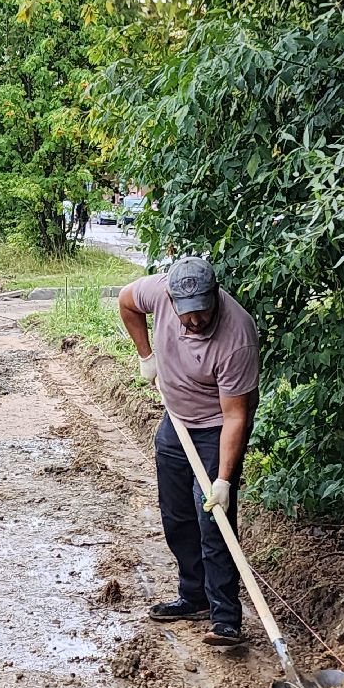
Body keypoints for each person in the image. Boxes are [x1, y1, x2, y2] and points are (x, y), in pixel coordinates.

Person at [118, 256, 259, 647]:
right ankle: (193, 596)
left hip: (217, 428)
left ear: (215, 297)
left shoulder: (237, 336)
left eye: (202, 312)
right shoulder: (159, 292)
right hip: (176, 421)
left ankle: (225, 618)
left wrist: (224, 480)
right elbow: (126, 301)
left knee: (214, 518)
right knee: (176, 512)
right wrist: (147, 355)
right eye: (186, 315)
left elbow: (235, 417)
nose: (194, 321)